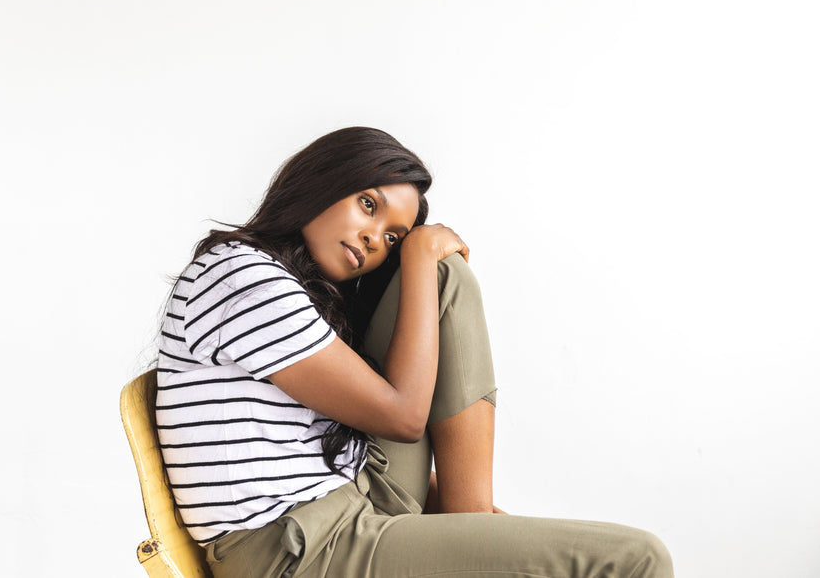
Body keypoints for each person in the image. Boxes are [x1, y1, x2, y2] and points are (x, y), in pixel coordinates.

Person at [154, 127, 673, 577]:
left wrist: (474, 526)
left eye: (394, 235)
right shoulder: (242, 276)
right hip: (296, 556)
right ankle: (468, 522)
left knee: (446, 274)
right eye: (368, 204)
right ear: (323, 180)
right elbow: (403, 417)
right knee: (638, 560)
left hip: (348, 497)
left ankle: (468, 516)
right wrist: (420, 250)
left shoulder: (282, 284)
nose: (374, 239)